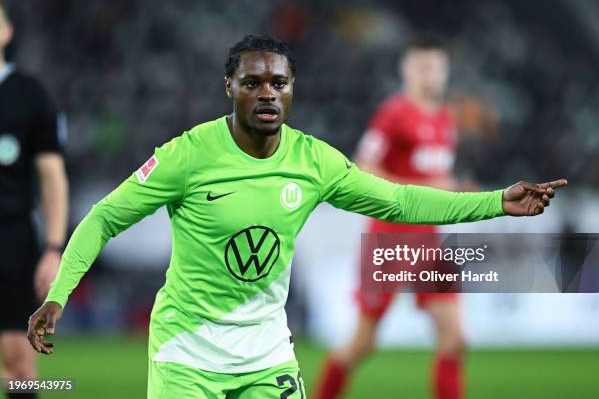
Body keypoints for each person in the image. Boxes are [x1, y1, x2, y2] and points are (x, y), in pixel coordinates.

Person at [27, 34, 565, 398]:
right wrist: (59, 294)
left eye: (278, 84)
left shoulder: (314, 161)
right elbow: (103, 218)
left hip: (266, 352)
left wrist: (496, 200)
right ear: (229, 89)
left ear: (292, 90)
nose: (267, 94)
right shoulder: (186, 156)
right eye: (253, 83)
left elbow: (400, 201)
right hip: (186, 354)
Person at [316, 36, 476, 399]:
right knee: (362, 343)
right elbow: (364, 169)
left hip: (429, 240)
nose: (430, 74)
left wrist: (453, 188)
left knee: (455, 337)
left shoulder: (445, 119)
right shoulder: (393, 114)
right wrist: (424, 188)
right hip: (389, 238)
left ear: (446, 72)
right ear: (406, 70)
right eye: (422, 66)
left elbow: (438, 181)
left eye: (436, 67)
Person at [0, 0, 68, 399]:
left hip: (11, 240)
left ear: (7, 32)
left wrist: (53, 247)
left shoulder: (30, 95)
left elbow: (53, 177)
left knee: (19, 361)